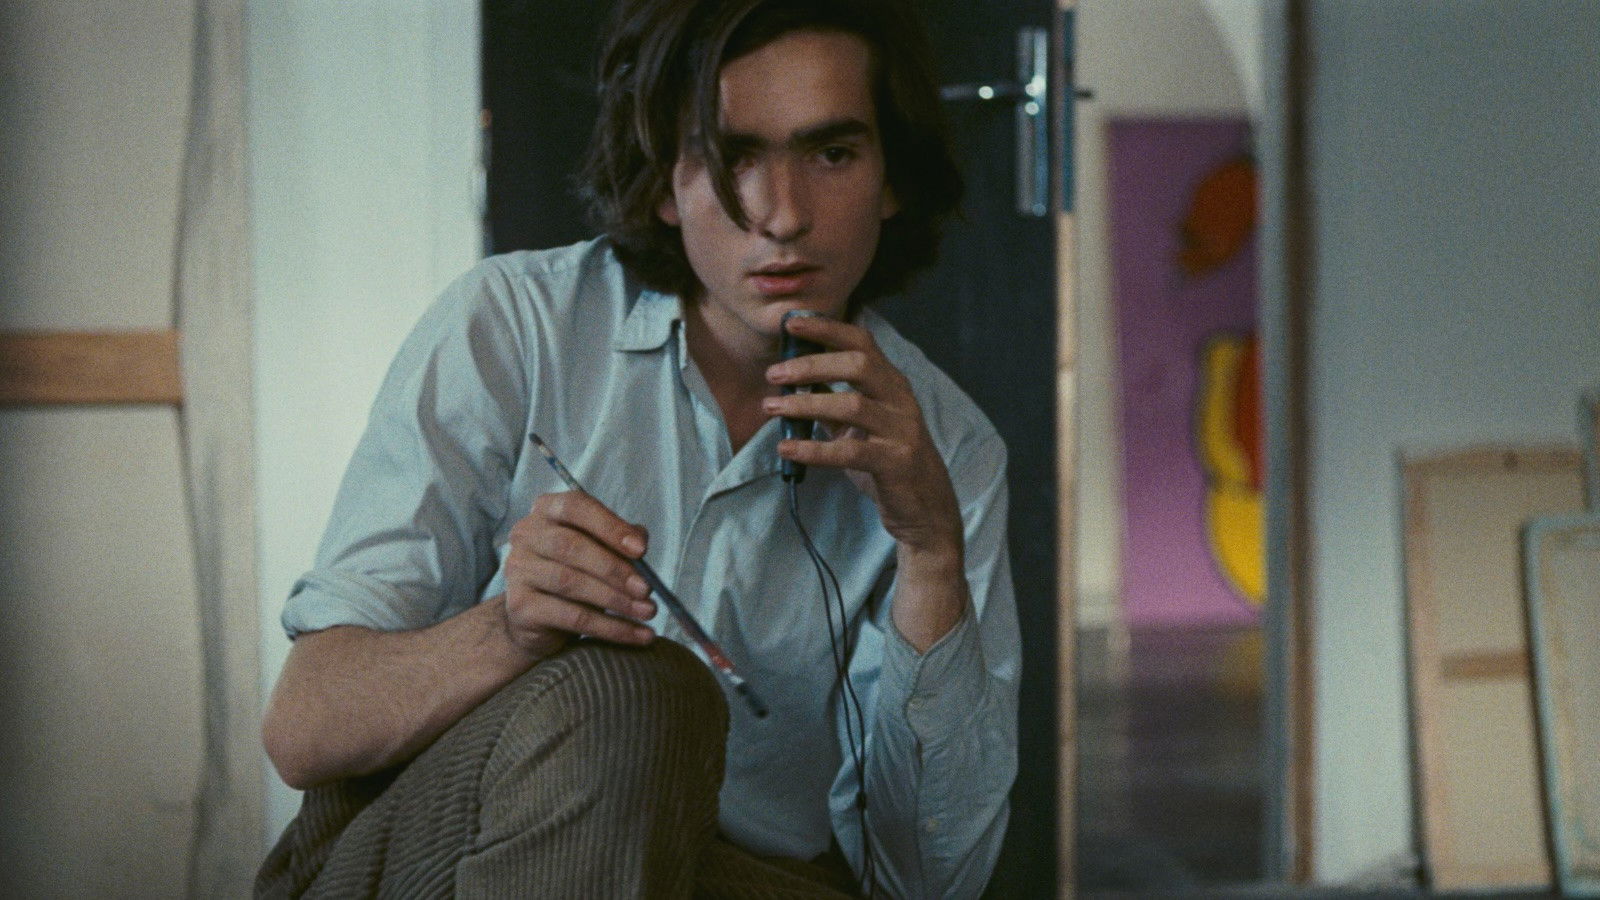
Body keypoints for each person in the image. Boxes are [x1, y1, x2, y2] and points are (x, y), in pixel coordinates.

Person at [257, 0, 1019, 896]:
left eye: (832, 154)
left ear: (891, 178)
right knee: (634, 697)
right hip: (437, 860)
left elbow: (927, 881)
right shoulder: (511, 328)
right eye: (733, 158)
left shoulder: (949, 448)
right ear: (665, 183)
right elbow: (303, 729)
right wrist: (508, 632)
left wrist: (932, 553)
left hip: (728, 878)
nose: (782, 215)